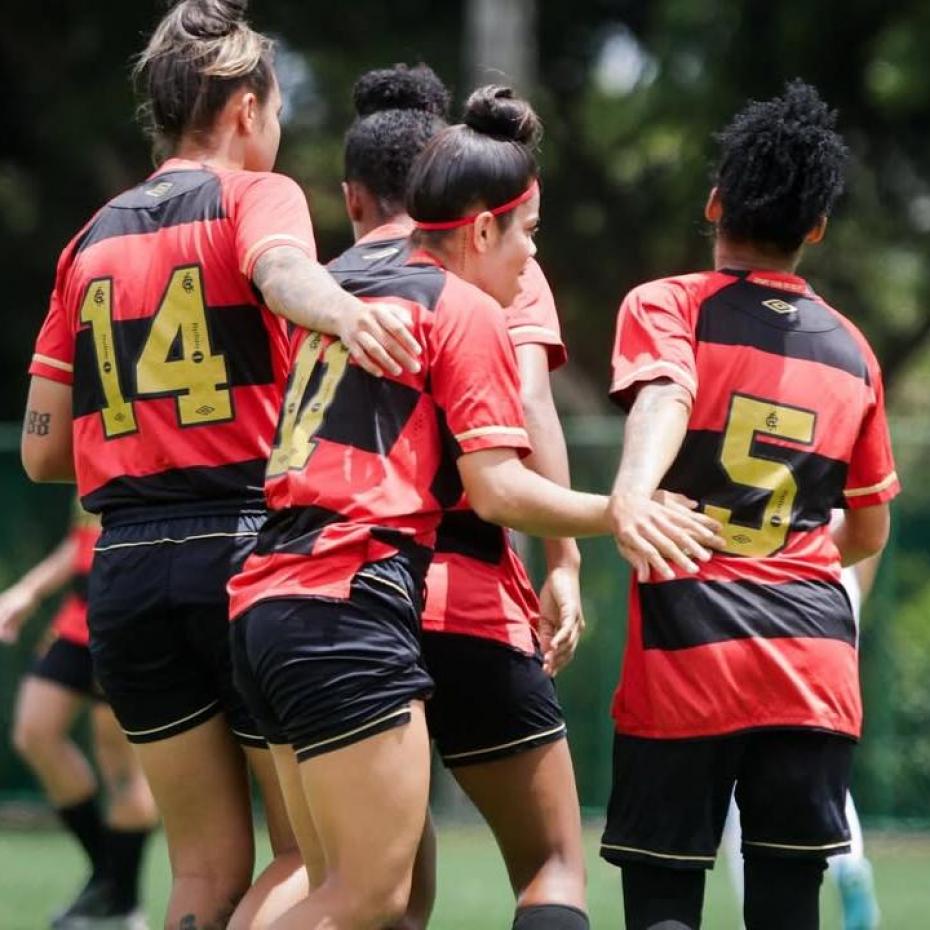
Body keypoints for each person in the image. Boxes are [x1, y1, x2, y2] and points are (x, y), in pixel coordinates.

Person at [227, 84, 719, 930]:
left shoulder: (340, 283)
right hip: (355, 597)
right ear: (484, 227)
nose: (531, 259)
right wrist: (617, 511)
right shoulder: (465, 307)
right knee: (368, 897)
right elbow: (495, 486)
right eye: (526, 234)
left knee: (330, 882)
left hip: (266, 600)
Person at [21, 2, 423, 928]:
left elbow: (46, 451)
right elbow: (282, 269)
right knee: (306, 863)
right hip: (245, 557)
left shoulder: (88, 239)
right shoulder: (256, 194)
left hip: (123, 575)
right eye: (276, 109)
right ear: (246, 108)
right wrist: (344, 312)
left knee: (199, 873)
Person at [600, 80, 899, 930]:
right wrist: (785, 557)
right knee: (786, 908)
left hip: (687, 656)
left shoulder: (666, 306)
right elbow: (869, 528)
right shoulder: (854, 353)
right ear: (817, 228)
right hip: (813, 668)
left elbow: (665, 392)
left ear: (715, 201)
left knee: (664, 898)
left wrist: (638, 497)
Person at [340, 65, 588, 930]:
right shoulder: (494, 280)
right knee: (553, 865)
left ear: (356, 195)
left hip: (338, 603)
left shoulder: (328, 281)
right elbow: (526, 409)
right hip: (465, 595)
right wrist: (569, 554)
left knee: (382, 897)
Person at [1, 499, 158, 930]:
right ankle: (108, 877)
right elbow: (80, 542)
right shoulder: (85, 446)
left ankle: (122, 901)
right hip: (77, 618)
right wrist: (28, 591)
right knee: (34, 732)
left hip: (127, 610)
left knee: (120, 767)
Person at [720, 551, 884, 930]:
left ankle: (757, 912)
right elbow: (874, 521)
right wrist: (854, 595)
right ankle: (850, 864)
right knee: (817, 752)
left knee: (741, 756)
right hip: (835, 589)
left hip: (761, 584)